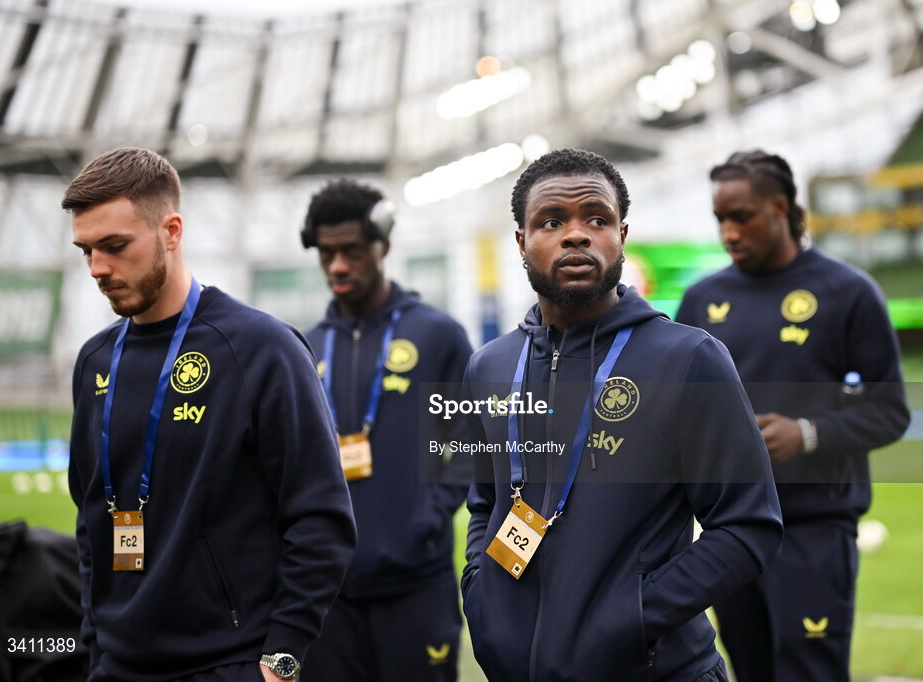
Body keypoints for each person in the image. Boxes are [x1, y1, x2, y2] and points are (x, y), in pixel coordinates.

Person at [460, 148, 784, 681]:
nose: (576, 234)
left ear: (621, 235)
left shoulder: (687, 358)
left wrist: (631, 617)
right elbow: (485, 502)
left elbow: (747, 527)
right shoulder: (489, 367)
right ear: (521, 242)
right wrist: (483, 595)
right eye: (551, 221)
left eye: (596, 218)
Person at [64, 148, 356, 682]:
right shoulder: (95, 361)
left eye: (115, 246)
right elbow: (91, 523)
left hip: (229, 664)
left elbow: (321, 519)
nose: (98, 269)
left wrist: (281, 663)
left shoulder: (262, 350)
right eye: (86, 251)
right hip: (115, 665)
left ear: (171, 231)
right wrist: (94, 645)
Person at [676, 150, 910, 682]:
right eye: (720, 219)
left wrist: (806, 435)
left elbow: (890, 411)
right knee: (749, 671)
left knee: (810, 672)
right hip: (729, 532)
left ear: (781, 208)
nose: (729, 232)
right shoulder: (701, 300)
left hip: (813, 530)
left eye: (742, 216)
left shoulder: (848, 293)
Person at [299, 178, 473, 682]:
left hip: (415, 585)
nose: (337, 266)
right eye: (327, 253)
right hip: (328, 596)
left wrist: (431, 513)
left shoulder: (436, 334)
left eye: (351, 251)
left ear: (382, 245)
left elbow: (470, 438)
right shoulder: (305, 348)